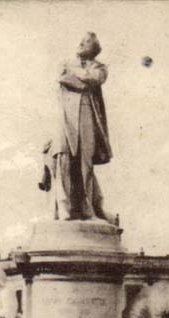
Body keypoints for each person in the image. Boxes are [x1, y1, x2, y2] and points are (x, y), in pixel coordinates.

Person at [49, 32, 112, 220]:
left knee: (86, 160)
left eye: (85, 43)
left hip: (86, 113)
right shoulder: (65, 63)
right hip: (65, 114)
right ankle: (63, 204)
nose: (80, 44)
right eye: (81, 41)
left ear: (93, 48)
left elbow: (92, 80)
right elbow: (62, 79)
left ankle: (86, 205)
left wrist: (75, 75)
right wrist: (81, 79)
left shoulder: (99, 67)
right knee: (63, 156)